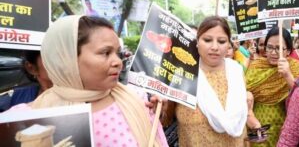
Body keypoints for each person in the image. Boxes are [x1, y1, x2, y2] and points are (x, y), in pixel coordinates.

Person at [8, 16, 168, 146]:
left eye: (117, 53)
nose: (118, 62)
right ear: (67, 59)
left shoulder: (137, 99)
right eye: (105, 52)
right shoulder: (23, 119)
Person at [169, 16, 248, 146]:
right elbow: (166, 117)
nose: (215, 47)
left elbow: (243, 120)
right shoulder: (182, 74)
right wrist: (160, 105)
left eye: (222, 41)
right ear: (197, 42)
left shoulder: (236, 72)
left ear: (229, 44)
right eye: (207, 40)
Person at [245, 27, 299, 147]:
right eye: (270, 47)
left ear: (288, 51)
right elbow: (245, 91)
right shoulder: (256, 66)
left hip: (285, 123)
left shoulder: (294, 67)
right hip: (257, 122)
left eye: (279, 48)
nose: (274, 52)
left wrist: (287, 75)